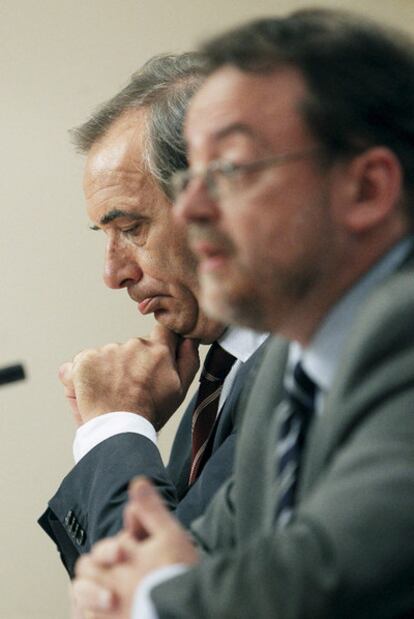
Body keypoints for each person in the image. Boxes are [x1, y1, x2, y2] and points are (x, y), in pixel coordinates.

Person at [72, 8, 414, 619]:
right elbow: (202, 555)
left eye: (228, 170)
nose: (196, 206)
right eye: (189, 177)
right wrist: (131, 577)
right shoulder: (292, 365)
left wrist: (150, 596)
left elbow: (329, 572)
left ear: (365, 189)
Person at [38, 53, 267, 578]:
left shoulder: (318, 367)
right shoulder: (223, 368)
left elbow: (166, 593)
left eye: (132, 228)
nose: (113, 274)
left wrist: (114, 428)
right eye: (105, 235)